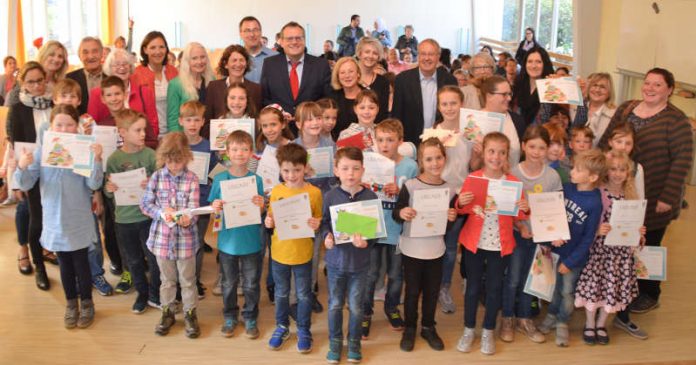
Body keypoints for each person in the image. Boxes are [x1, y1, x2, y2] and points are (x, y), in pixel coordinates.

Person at [599, 68, 693, 313]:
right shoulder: (627, 108)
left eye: (658, 85)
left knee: (648, 244)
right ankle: (628, 288)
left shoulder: (676, 120)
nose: (650, 88)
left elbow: (682, 161)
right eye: (648, 83)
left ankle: (650, 293)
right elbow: (607, 138)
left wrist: (668, 197)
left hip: (654, 195)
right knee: (623, 244)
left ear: (669, 90)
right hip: (619, 190)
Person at [14, 104, 104, 328]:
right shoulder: (41, 151)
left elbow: (94, 183)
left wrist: (97, 160)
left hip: (78, 218)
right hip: (54, 219)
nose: (64, 129)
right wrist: (22, 167)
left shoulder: (84, 148)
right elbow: (26, 183)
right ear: (51, 126)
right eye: (59, 124)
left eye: (70, 124)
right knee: (64, 263)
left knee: (81, 262)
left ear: (77, 127)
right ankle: (71, 303)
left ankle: (87, 303)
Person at [456, 132, 529, 355]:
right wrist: (461, 202)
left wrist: (524, 208)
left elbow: (519, 216)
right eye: (491, 151)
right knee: (472, 288)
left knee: (495, 289)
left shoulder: (514, 183)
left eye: (501, 152)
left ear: (507, 156)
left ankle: (488, 330)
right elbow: (462, 209)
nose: (496, 157)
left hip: (501, 244)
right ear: (484, 153)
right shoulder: (474, 178)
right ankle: (469, 329)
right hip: (474, 243)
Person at [575, 150, 648, 345]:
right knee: (593, 288)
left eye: (622, 170)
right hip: (600, 251)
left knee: (611, 289)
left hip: (620, 254)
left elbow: (636, 225)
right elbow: (589, 219)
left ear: (628, 172)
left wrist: (639, 233)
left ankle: (601, 324)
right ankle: (589, 323)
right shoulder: (599, 192)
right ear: (607, 171)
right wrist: (597, 230)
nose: (617, 173)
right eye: (613, 169)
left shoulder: (631, 196)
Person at [393, 137, 457, 352]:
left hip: (435, 251)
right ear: (421, 160)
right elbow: (397, 212)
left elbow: (446, 227)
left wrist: (451, 217)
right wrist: (402, 212)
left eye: (438, 158)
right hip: (412, 250)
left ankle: (428, 327)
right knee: (412, 292)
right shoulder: (410, 186)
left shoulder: (450, 189)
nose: (434, 163)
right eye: (429, 159)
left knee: (431, 292)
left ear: (445, 159)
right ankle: (410, 327)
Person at [538, 149, 606, 347]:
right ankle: (550, 316)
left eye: (577, 169)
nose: (572, 172)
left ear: (592, 177)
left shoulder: (595, 202)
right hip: (555, 252)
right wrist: (552, 237)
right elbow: (551, 214)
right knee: (554, 289)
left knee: (567, 292)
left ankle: (562, 322)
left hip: (573, 260)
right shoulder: (566, 189)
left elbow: (588, 239)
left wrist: (571, 262)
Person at [501, 125, 561, 344]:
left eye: (542, 147)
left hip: (542, 237)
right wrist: (520, 226)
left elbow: (556, 209)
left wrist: (555, 232)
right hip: (518, 235)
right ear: (524, 146)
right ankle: (507, 317)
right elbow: (506, 208)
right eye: (532, 146)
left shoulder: (553, 177)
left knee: (532, 279)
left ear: (548, 149)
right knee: (513, 278)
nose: (537, 152)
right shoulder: (513, 174)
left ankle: (524, 318)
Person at [140, 132, 201, 338]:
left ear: (187, 157)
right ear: (163, 158)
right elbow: (146, 204)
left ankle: (190, 313)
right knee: (167, 280)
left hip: (186, 242)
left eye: (179, 161)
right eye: (170, 161)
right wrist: (160, 213)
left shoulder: (192, 178)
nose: (174, 166)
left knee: (188, 280)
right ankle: (167, 312)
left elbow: (194, 207)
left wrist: (188, 218)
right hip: (162, 241)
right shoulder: (156, 177)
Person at [265, 143, 323, 353]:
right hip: (280, 252)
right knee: (281, 293)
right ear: (280, 169)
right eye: (286, 170)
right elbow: (271, 216)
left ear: (305, 168)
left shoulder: (314, 192)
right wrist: (268, 222)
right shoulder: (276, 191)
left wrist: (317, 224)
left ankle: (304, 328)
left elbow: (318, 218)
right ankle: (282, 326)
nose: (291, 175)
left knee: (304, 294)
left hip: (303, 253)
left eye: (297, 170)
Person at [321, 147, 377, 363]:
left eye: (355, 168)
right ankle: (335, 341)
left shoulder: (370, 196)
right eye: (345, 168)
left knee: (356, 306)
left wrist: (366, 242)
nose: (350, 173)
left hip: (360, 265)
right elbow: (325, 222)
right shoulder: (331, 196)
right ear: (336, 170)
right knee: (335, 304)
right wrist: (327, 236)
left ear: (363, 170)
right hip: (335, 264)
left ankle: (354, 341)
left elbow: (374, 233)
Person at [209, 130, 264, 339]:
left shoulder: (256, 180)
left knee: (250, 283)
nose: (239, 153)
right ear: (227, 153)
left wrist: (261, 205)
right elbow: (213, 209)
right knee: (229, 283)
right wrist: (215, 206)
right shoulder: (220, 179)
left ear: (251, 152)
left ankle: (250, 316)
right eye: (234, 149)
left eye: (244, 149)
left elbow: (260, 212)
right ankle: (230, 315)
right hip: (227, 242)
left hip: (250, 241)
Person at [105, 109, 161, 312]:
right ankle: (142, 294)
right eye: (137, 130)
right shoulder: (113, 160)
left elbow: (162, 188)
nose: (143, 134)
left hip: (147, 218)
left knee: (154, 258)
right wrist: (109, 189)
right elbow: (109, 192)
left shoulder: (150, 155)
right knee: (134, 261)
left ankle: (156, 293)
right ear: (123, 132)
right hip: (124, 220)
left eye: (144, 129)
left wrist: (152, 184)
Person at [6, 61, 53, 290]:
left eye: (40, 80)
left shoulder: (55, 103)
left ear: (46, 79)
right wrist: (17, 180)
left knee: (54, 219)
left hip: (56, 171)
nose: (36, 86)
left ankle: (54, 253)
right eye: (31, 81)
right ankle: (40, 269)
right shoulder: (18, 108)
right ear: (23, 83)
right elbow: (15, 145)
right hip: (33, 172)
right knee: (36, 222)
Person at [430, 86, 476, 313]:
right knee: (432, 243)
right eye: (444, 104)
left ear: (461, 105)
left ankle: (444, 287)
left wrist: (477, 150)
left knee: (450, 248)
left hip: (460, 197)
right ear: (439, 107)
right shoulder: (432, 133)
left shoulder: (469, 133)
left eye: (453, 103)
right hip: (437, 195)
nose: (449, 108)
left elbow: (473, 166)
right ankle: (429, 285)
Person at [178, 101, 218, 299]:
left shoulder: (209, 146)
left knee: (197, 242)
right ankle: (181, 280)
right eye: (188, 119)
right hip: (178, 205)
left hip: (201, 203)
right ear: (181, 121)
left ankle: (194, 279)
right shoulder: (176, 144)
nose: (192, 124)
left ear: (203, 121)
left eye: (196, 119)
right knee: (179, 242)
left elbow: (215, 173)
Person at [260, 22, 332, 134]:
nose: (294, 42)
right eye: (289, 39)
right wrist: (279, 113)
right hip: (280, 131)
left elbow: (326, 99)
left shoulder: (321, 65)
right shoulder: (270, 64)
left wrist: (309, 115)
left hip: (312, 131)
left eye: (298, 38)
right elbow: (265, 98)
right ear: (281, 42)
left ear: (304, 40)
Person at [88, 48, 160, 148]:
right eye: (116, 64)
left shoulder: (144, 92)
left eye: (125, 64)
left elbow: (153, 126)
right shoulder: (97, 93)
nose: (121, 68)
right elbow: (93, 127)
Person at [392, 39, 458, 145]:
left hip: (442, 143)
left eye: (431, 54)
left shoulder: (450, 81)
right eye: (423, 54)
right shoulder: (402, 80)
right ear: (418, 56)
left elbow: (455, 113)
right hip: (410, 144)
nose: (427, 58)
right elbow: (396, 115)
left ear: (438, 56)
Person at [205, 44, 262, 138]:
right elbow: (207, 122)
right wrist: (216, 142)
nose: (238, 64)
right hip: (220, 147)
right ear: (226, 64)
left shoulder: (256, 89)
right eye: (234, 60)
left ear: (246, 63)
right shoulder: (214, 87)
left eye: (242, 60)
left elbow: (258, 121)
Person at [132, 31, 178, 140]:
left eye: (161, 47)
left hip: (174, 134)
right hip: (149, 135)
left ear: (166, 49)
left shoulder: (174, 72)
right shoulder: (136, 74)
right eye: (152, 47)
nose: (158, 51)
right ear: (145, 50)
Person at [166, 42, 215, 133]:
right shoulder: (175, 84)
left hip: (209, 137)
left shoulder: (212, 80)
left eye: (202, 57)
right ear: (187, 61)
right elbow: (173, 120)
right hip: (186, 139)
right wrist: (179, 142)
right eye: (194, 58)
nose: (199, 62)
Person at [478, 76, 523, 168]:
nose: (509, 98)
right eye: (504, 94)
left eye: (510, 94)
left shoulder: (517, 121)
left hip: (511, 180)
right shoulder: (474, 120)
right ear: (489, 96)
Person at [512, 46, 554, 127]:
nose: (533, 66)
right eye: (530, 61)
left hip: (540, 136)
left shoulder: (551, 87)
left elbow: (546, 118)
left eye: (538, 62)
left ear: (545, 64)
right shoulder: (518, 84)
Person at [605, 123, 644, 199]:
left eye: (628, 143)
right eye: (619, 142)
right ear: (610, 142)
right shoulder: (600, 161)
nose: (623, 147)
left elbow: (640, 199)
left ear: (633, 146)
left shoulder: (637, 168)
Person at [66, 37, 104, 115]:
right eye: (85, 52)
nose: (90, 56)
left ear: (102, 53)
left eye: (95, 51)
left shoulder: (113, 76)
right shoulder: (69, 79)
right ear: (79, 56)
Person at [356, 38, 390, 124]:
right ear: (360, 54)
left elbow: (383, 114)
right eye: (367, 52)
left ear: (378, 57)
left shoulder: (383, 82)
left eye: (375, 53)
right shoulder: (349, 79)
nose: (370, 56)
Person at [329, 57, 362, 140]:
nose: (347, 76)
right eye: (342, 72)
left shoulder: (368, 96)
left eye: (351, 71)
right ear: (338, 76)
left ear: (358, 73)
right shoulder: (332, 99)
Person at [239, 16, 278, 84]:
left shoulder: (276, 57)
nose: (252, 34)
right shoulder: (235, 59)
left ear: (261, 32)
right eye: (247, 30)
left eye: (255, 30)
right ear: (241, 34)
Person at [584, 72, 617, 146]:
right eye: (594, 85)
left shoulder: (614, 116)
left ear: (609, 92)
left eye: (602, 87)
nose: (597, 90)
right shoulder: (577, 108)